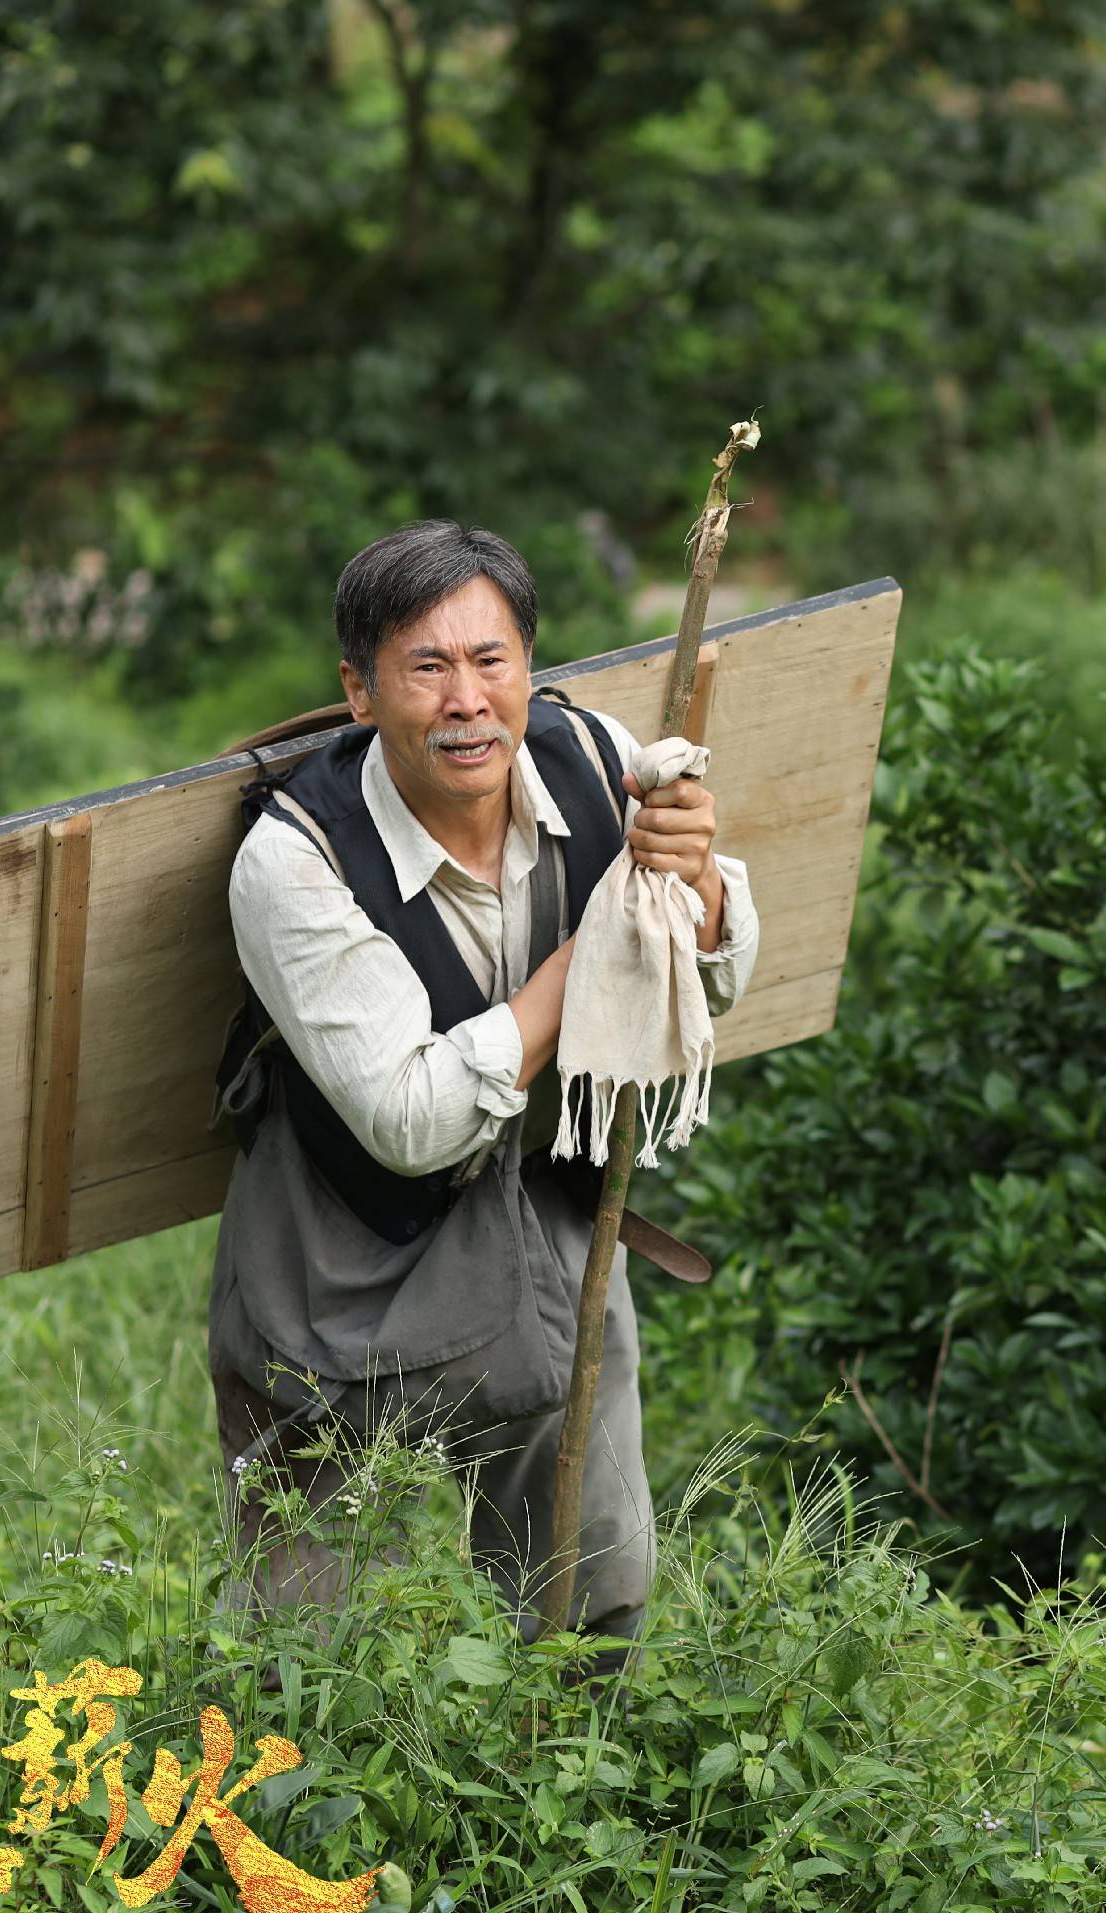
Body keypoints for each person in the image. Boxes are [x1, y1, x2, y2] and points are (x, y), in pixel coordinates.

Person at [203, 519, 756, 1672]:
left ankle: (561, 1798)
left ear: (530, 666)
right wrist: (595, 947)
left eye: (492, 659)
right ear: (359, 690)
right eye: (427, 666)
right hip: (342, 1256)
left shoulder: (595, 753)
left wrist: (694, 882)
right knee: (306, 1651)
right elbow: (410, 1121)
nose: (468, 700)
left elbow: (723, 968)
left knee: (588, 1597)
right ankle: (293, 1824)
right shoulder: (294, 859)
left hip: (543, 1225)